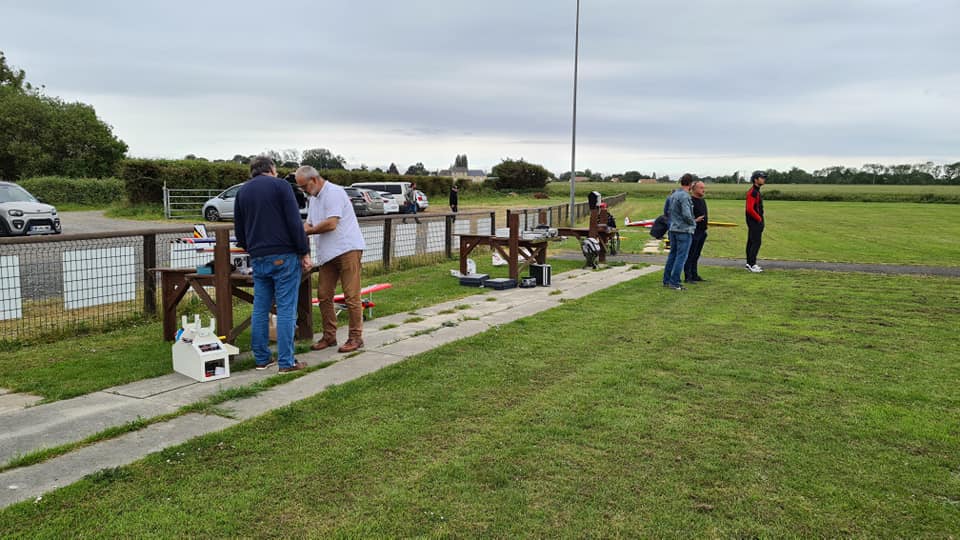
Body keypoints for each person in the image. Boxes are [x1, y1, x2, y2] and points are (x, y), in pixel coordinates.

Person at [234, 157, 311, 373]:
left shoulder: (242, 192)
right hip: (284, 254)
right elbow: (294, 222)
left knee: (260, 308)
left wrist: (251, 247)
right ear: (271, 169)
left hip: (258, 256)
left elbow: (239, 229)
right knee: (286, 308)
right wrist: (304, 251)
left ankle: (262, 359)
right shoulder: (281, 186)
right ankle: (287, 361)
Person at [296, 166, 367, 353]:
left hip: (347, 249)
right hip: (328, 254)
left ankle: (356, 337)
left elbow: (331, 223)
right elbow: (309, 223)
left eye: (304, 186)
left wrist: (308, 231)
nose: (303, 190)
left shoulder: (334, 193)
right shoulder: (314, 198)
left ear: (314, 180)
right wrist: (298, 231)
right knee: (324, 295)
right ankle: (329, 336)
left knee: (351, 295)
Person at [661, 173, 696, 291]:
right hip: (683, 230)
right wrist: (693, 223)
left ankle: (666, 280)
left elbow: (667, 211)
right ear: (690, 184)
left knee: (672, 255)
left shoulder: (673, 195)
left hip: (673, 228)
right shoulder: (685, 196)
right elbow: (686, 214)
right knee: (681, 257)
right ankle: (675, 282)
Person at [684, 180, 708, 283]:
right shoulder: (690, 201)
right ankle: (688, 276)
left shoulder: (702, 201)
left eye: (704, 188)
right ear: (694, 189)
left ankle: (694, 274)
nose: (703, 190)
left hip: (702, 231)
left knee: (697, 254)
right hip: (694, 232)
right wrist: (695, 221)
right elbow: (686, 217)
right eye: (701, 188)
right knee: (691, 254)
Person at [745, 170, 767, 272]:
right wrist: (759, 219)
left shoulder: (756, 191)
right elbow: (749, 209)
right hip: (754, 221)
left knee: (751, 241)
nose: (763, 179)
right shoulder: (753, 192)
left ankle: (749, 263)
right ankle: (752, 264)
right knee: (756, 242)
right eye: (761, 178)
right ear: (755, 180)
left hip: (754, 221)